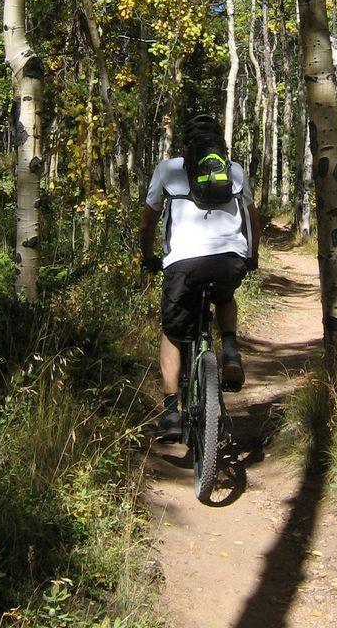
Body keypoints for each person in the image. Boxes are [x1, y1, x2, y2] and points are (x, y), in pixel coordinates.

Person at [139, 114, 260, 440]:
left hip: (182, 264)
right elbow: (252, 217)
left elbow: (147, 222)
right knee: (225, 296)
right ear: (219, 143)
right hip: (229, 259)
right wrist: (251, 257)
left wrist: (148, 257)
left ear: (184, 144)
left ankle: (170, 412)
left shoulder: (168, 169)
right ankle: (231, 352)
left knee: (172, 331)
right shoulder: (234, 171)